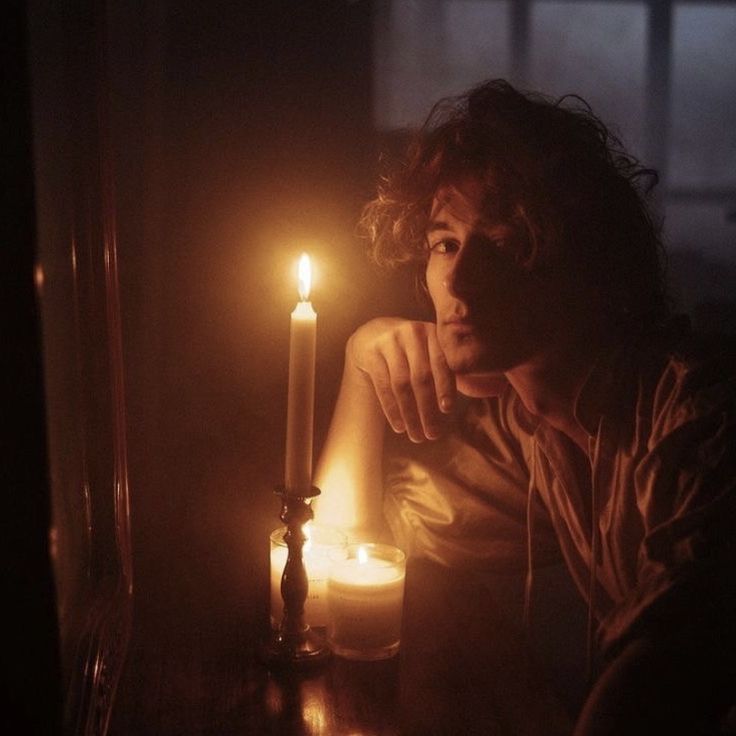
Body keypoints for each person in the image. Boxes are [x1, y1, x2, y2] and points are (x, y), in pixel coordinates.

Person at [313, 79, 736, 734]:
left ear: (585, 258)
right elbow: (338, 561)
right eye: (444, 242)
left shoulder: (696, 416)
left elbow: (662, 674)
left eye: (505, 241)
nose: (455, 278)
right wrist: (363, 360)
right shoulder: (530, 430)